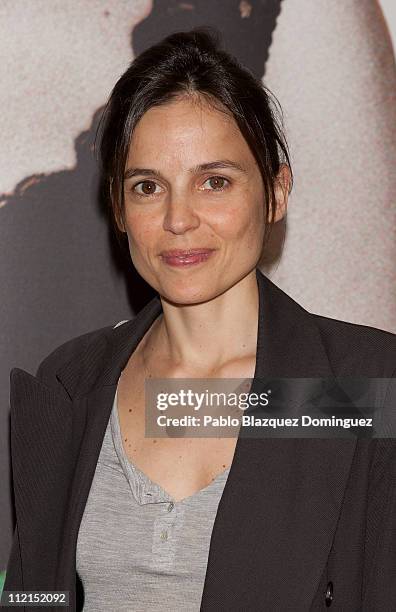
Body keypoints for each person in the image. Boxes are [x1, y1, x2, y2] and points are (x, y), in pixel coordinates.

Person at [3, 28, 396, 612]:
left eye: (214, 182)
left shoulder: (361, 387)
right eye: (147, 186)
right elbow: (34, 589)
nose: (178, 219)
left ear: (276, 190)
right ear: (119, 206)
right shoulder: (72, 384)